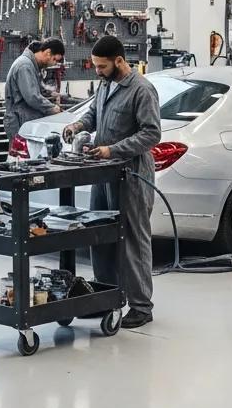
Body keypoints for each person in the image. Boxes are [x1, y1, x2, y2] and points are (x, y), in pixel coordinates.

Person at [63, 35, 161, 329]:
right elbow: (94, 113)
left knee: (132, 240)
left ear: (119, 61)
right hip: (102, 172)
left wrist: (113, 149)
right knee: (100, 235)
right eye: (95, 66)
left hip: (131, 174)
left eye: (102, 66)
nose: (97, 71)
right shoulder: (106, 85)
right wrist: (78, 124)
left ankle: (141, 306)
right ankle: (105, 297)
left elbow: (151, 134)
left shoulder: (142, 90)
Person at [4, 38, 65, 141]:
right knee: (22, 156)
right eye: (54, 59)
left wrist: (52, 94)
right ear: (48, 53)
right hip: (19, 121)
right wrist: (52, 108)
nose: (54, 64)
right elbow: (32, 97)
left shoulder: (31, 65)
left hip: (24, 119)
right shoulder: (25, 65)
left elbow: (36, 89)